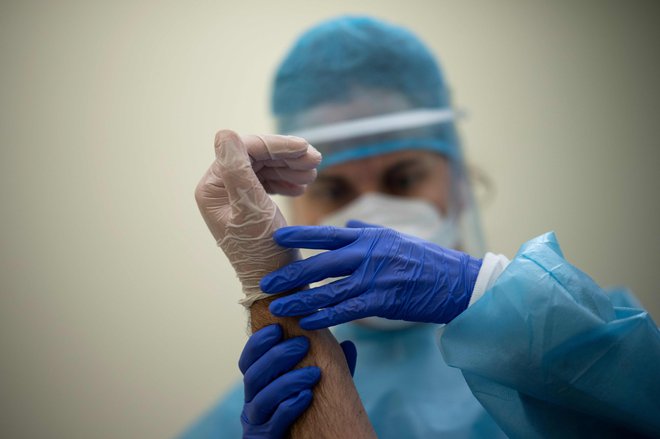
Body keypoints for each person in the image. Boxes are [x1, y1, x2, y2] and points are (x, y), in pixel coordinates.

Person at [184, 16, 660, 438]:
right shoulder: (262, 407)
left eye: (404, 178)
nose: (372, 212)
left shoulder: (587, 351)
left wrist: (485, 290)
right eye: (334, 188)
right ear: (297, 203)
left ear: (461, 180)